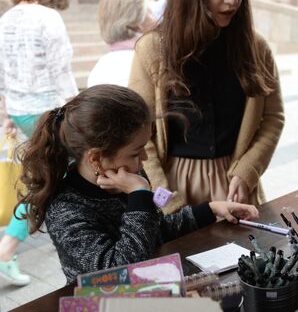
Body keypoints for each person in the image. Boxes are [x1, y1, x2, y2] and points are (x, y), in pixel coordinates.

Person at [17, 84, 258, 283]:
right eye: (135, 153)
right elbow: (121, 272)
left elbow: (153, 232)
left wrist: (211, 209)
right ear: (96, 157)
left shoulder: (124, 177)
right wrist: (139, 194)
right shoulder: (66, 209)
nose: (143, 159)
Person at [129, 0, 284, 213]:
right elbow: (139, 135)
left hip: (235, 185)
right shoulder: (153, 50)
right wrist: (166, 200)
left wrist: (248, 170)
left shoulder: (256, 48)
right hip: (174, 185)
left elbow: (273, 117)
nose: (232, 0)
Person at [0, 0, 77, 286]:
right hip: (48, 112)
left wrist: (7, 112)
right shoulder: (48, 18)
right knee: (50, 179)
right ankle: (7, 250)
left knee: (47, 176)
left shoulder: (6, 18)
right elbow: (61, 71)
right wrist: (78, 110)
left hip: (20, 111)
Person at [87, 0, 154, 87]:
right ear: (137, 22)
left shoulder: (101, 66)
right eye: (149, 11)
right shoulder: (142, 64)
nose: (155, 18)